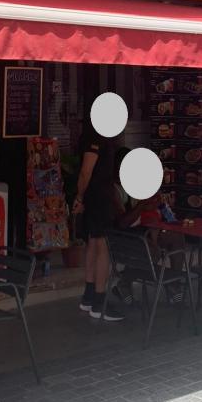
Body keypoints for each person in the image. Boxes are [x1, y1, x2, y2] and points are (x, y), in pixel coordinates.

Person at [72, 120, 124, 321]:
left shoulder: (95, 137)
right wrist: (79, 197)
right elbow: (86, 172)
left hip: (95, 199)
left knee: (93, 243)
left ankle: (89, 296)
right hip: (99, 200)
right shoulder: (96, 139)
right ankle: (100, 301)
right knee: (103, 247)